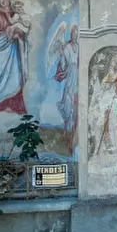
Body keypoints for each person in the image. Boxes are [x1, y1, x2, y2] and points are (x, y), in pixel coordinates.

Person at [53, 24, 79, 153]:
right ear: (71, 34)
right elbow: (63, 65)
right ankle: (65, 129)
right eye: (74, 33)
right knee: (67, 104)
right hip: (70, 77)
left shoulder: (79, 47)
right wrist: (62, 54)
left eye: (78, 34)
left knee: (76, 106)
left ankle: (72, 133)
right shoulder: (67, 47)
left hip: (78, 77)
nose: (76, 36)